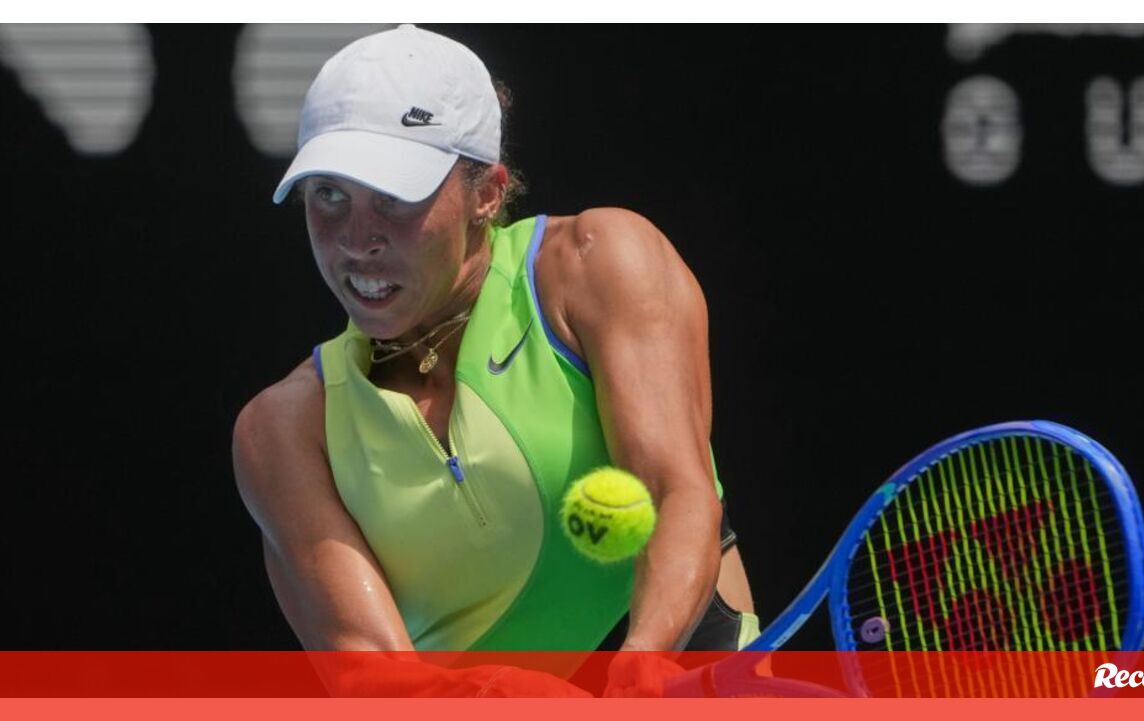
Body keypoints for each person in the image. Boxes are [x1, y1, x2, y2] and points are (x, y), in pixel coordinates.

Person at [232, 24, 757, 692]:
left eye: (395, 196)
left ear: (487, 193)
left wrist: (643, 661)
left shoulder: (595, 265)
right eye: (328, 194)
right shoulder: (282, 431)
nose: (356, 239)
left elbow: (677, 492)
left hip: (695, 679)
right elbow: (374, 678)